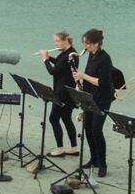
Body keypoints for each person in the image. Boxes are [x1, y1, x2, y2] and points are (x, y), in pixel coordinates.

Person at [72, 28, 115, 178]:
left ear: (96, 43)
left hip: (103, 99)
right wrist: (79, 86)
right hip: (90, 97)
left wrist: (83, 76)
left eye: (88, 43)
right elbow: (89, 76)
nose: (85, 46)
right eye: (84, 43)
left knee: (97, 130)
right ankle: (94, 158)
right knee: (88, 128)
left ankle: (102, 164)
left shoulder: (105, 59)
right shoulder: (91, 55)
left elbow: (103, 82)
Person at [39, 31, 79, 157]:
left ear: (65, 40)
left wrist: (45, 59)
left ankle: (60, 148)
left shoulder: (70, 55)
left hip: (63, 93)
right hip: (67, 91)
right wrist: (49, 57)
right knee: (66, 118)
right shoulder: (67, 53)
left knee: (53, 119)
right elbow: (59, 63)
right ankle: (74, 148)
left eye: (57, 41)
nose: (55, 44)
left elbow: (53, 71)